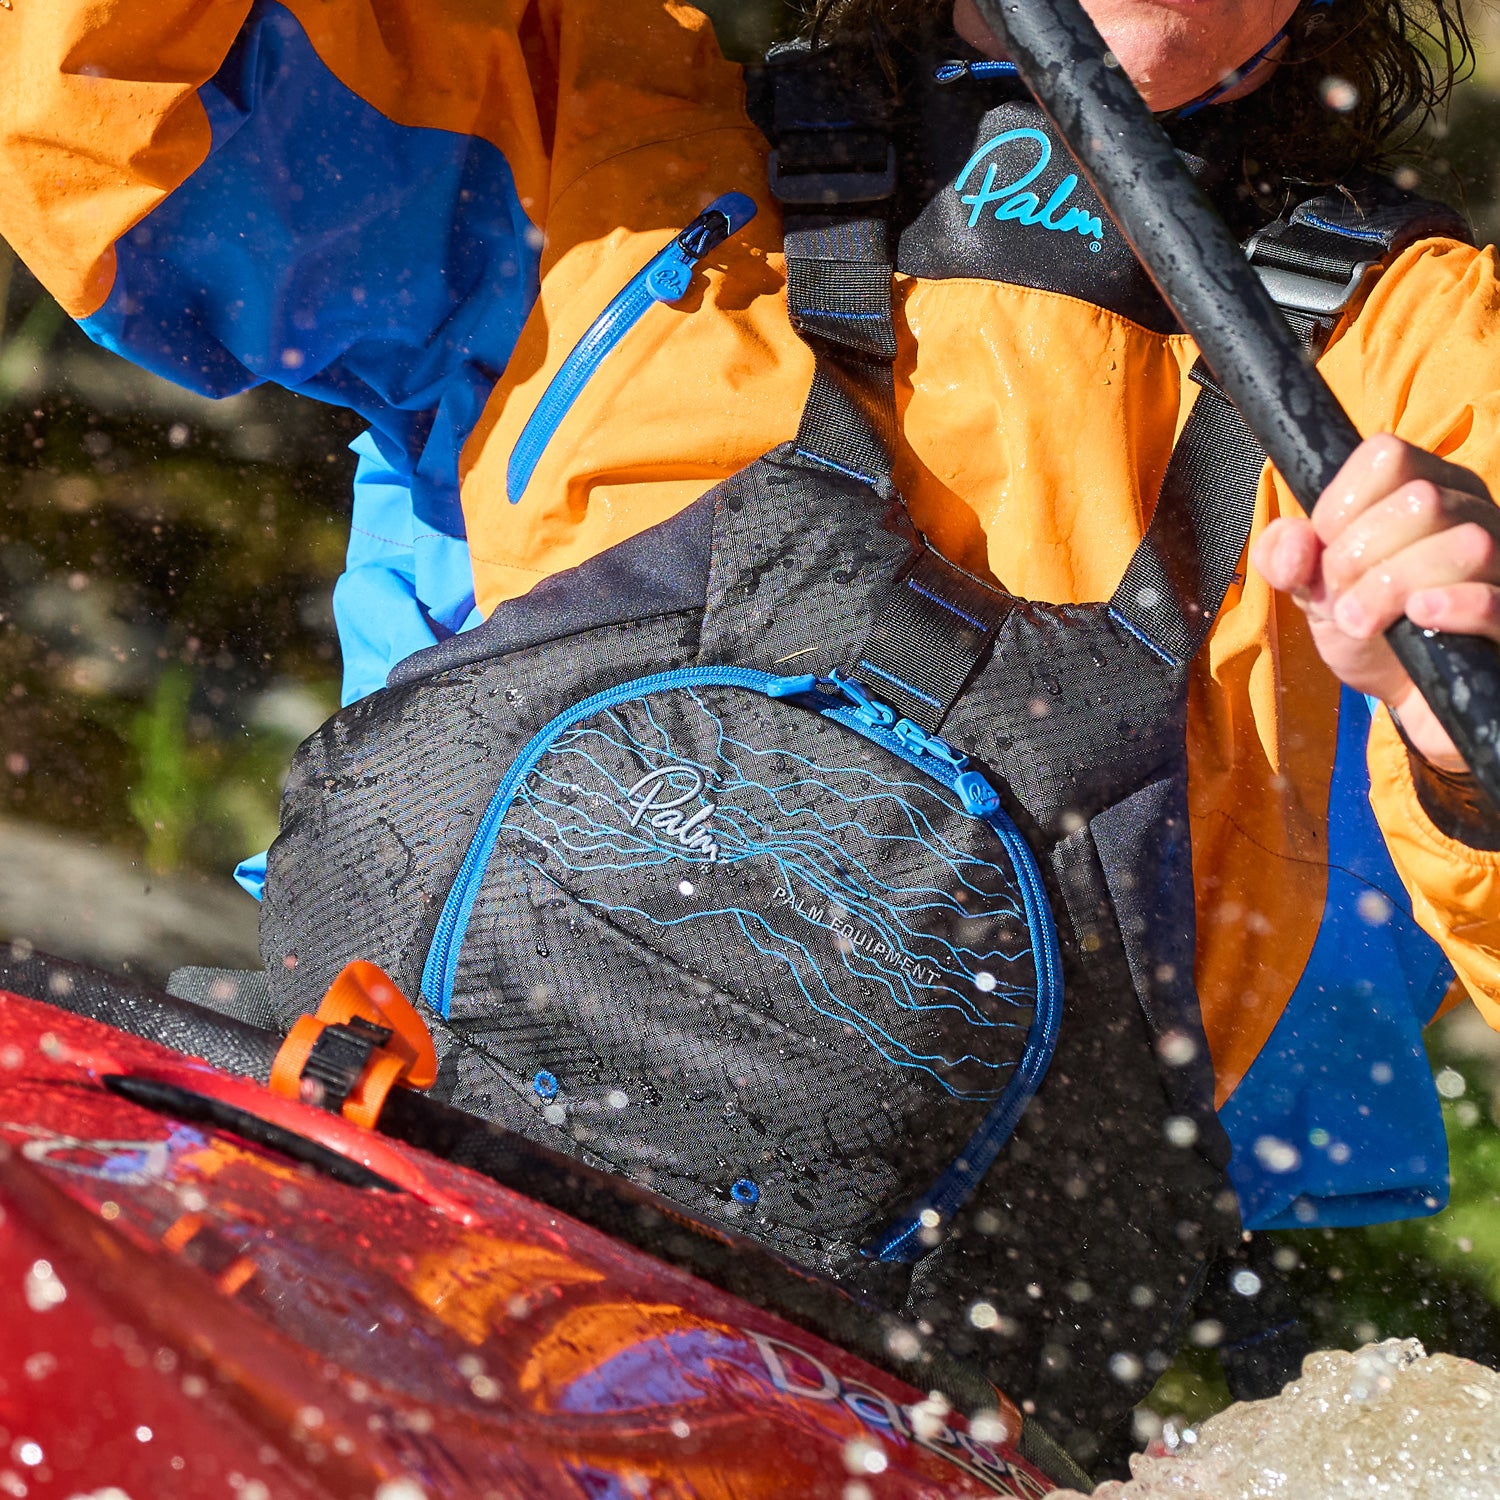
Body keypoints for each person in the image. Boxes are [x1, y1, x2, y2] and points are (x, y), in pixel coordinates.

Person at [2, 0, 1497, 1466]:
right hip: (340, 1212)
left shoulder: (1439, 376)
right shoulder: (592, 129)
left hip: (869, 1416)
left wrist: (1465, 743)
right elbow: (100, 117)